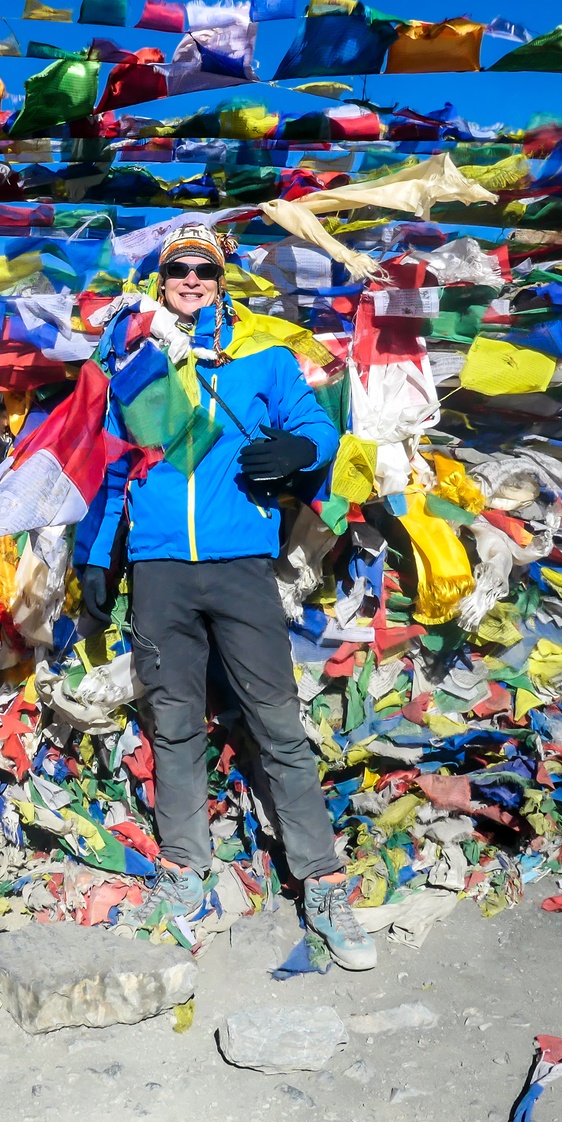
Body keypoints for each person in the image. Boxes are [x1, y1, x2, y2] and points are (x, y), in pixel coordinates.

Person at [77, 225, 375, 969]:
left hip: (241, 564)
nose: (189, 279)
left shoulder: (262, 357)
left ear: (220, 276)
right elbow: (115, 471)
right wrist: (97, 559)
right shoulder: (132, 362)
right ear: (159, 277)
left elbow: (318, 426)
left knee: (276, 722)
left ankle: (323, 882)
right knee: (173, 724)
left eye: (202, 268)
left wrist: (302, 449)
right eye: (175, 268)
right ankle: (184, 868)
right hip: (156, 571)